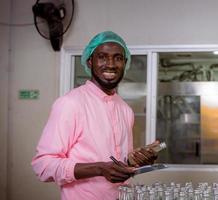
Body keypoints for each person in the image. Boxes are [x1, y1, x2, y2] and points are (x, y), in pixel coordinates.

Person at [31, 31, 158, 200]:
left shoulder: (125, 109)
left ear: (125, 63)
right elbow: (43, 165)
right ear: (90, 61)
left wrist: (135, 161)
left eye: (118, 58)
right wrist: (99, 169)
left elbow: (118, 163)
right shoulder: (70, 104)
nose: (111, 64)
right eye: (102, 57)